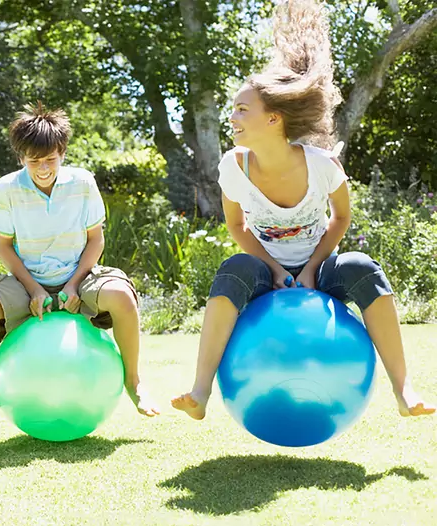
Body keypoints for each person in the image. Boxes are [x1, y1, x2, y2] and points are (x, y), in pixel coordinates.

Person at [171, 0, 434, 421]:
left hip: (321, 268)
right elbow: (237, 226)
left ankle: (404, 391)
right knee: (234, 267)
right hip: (264, 271)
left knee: (362, 265)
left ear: (273, 119)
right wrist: (274, 269)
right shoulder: (233, 166)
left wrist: (312, 268)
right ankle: (201, 391)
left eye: (242, 109)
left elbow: (342, 218)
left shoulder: (322, 164)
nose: (233, 116)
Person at [0, 103, 160, 435]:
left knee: (122, 295)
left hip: (79, 277)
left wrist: (74, 284)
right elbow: (3, 245)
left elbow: (96, 240)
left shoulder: (83, 182)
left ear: (62, 152)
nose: (42, 168)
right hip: (27, 282)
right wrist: (35, 289)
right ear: (21, 157)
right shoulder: (7, 188)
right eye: (33, 161)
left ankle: (133, 382)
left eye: (50, 159)